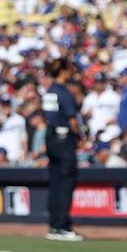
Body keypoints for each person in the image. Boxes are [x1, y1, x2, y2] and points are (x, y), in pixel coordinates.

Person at [39, 57, 83, 241]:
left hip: (51, 138)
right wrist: (79, 136)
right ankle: (62, 226)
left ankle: (54, 225)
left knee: (55, 181)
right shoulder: (64, 92)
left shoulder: (50, 91)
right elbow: (72, 120)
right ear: (64, 71)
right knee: (65, 182)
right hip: (64, 139)